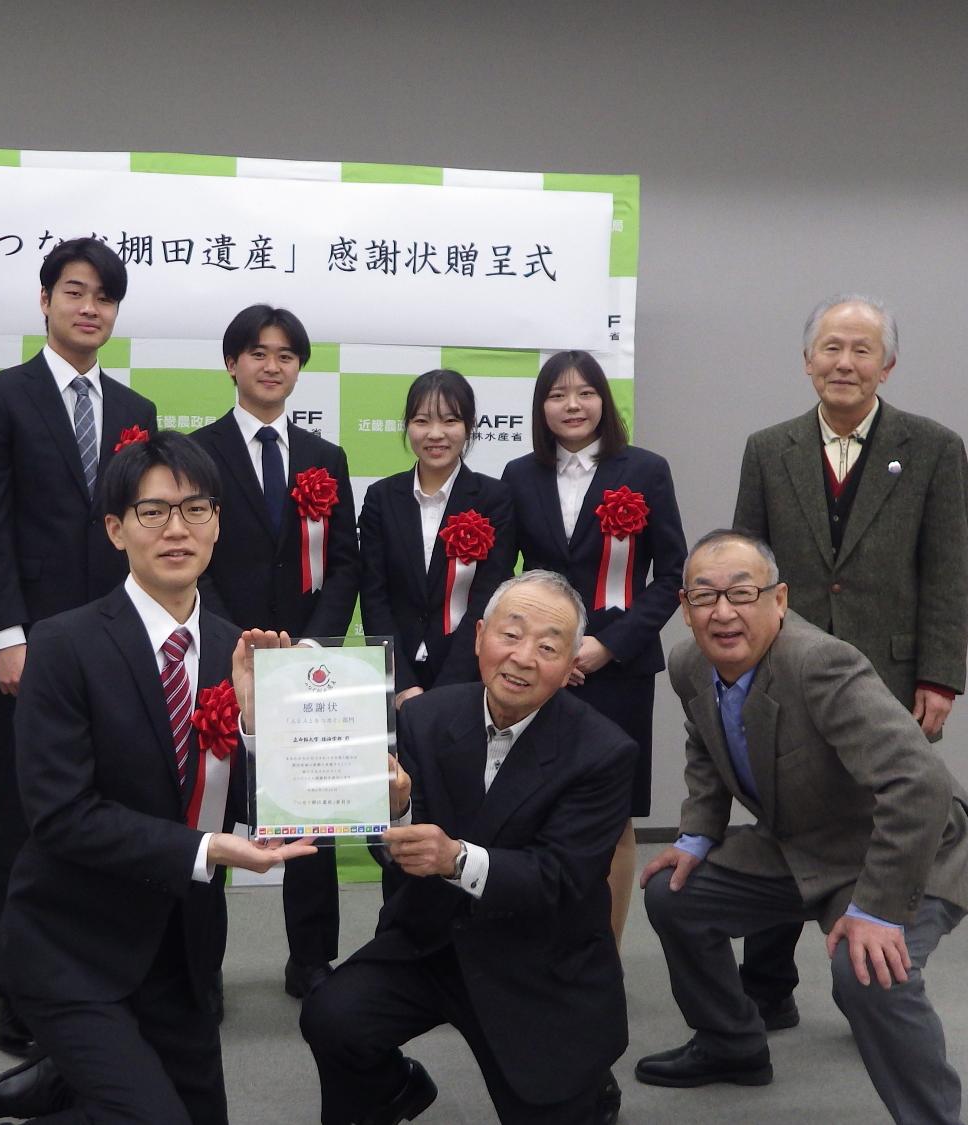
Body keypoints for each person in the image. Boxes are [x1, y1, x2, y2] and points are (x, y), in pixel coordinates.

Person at [0, 432, 319, 1125]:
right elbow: (60, 815)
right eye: (154, 512)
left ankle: (62, 1086)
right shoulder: (63, 645)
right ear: (116, 529)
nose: (177, 528)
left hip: (181, 950)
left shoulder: (241, 650)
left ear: (217, 523)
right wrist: (205, 851)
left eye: (196, 508)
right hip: (73, 945)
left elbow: (262, 808)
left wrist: (273, 737)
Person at [637, 530, 968, 1124]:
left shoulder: (820, 662)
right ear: (684, 608)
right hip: (804, 842)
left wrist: (879, 911)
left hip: (911, 847)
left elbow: (918, 783)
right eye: (704, 597)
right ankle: (732, 1044)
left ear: (779, 600)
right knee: (674, 894)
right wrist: (697, 836)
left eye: (742, 593)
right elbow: (704, 743)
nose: (723, 612)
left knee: (868, 972)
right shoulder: (688, 664)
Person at [301, 571, 634, 1125]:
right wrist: (398, 812)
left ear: (572, 664)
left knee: (553, 1105)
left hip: (537, 957)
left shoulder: (603, 752)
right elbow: (395, 852)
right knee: (332, 1017)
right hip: (432, 940)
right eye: (511, 634)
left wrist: (455, 858)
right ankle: (392, 1092)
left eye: (548, 646)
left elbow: (560, 879)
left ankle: (590, 1089)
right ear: (479, 636)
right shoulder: (425, 717)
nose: (523, 657)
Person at [730, 294, 968, 1032]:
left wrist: (939, 674)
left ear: (887, 364)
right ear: (808, 362)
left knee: (883, 820)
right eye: (831, 347)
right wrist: (742, 664)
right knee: (782, 816)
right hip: (786, 673)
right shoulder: (770, 449)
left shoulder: (933, 446)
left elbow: (948, 569)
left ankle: (880, 974)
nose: (845, 362)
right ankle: (766, 985)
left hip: (891, 678)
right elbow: (746, 563)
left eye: (862, 349)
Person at [0, 237, 159, 1054]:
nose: (89, 308)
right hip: (30, 647)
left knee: (115, 813)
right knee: (24, 813)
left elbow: (141, 534)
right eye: (75, 292)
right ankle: (17, 986)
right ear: (45, 301)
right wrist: (9, 634)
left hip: (115, 645)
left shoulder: (136, 412)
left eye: (104, 298)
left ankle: (105, 974)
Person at [191, 304, 361, 1000]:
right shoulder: (195, 452)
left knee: (309, 818)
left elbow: (345, 563)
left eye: (286, 354)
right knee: (209, 818)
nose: (271, 364)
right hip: (218, 662)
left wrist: (310, 645)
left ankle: (312, 960)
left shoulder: (327, 459)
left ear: (299, 368)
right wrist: (235, 645)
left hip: (304, 667)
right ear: (232, 363)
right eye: (257, 352)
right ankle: (198, 966)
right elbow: (185, 557)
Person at [503, 350, 686, 945]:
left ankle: (601, 950)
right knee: (537, 806)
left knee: (613, 819)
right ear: (542, 407)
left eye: (585, 393)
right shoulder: (518, 475)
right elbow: (506, 580)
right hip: (540, 671)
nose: (572, 405)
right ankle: (542, 940)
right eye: (558, 395)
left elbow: (672, 573)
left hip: (618, 672)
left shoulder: (646, 470)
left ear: (603, 401)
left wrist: (608, 646)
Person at [358, 368, 517, 707]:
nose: (435, 434)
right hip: (397, 680)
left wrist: (450, 688)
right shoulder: (381, 498)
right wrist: (400, 683)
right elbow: (374, 596)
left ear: (469, 426)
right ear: (407, 427)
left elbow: (488, 597)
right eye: (421, 421)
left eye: (449, 421)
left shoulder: (494, 499)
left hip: (466, 678)